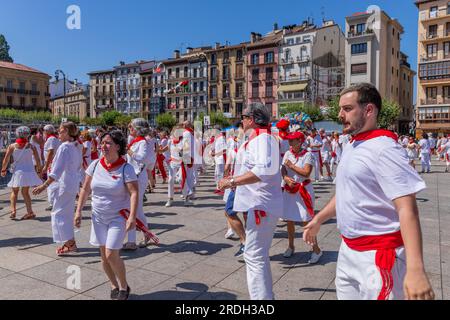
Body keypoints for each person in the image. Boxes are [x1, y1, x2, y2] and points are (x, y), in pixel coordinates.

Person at [303, 83, 434, 300]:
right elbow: (347, 193)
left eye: (347, 109)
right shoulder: (353, 145)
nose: (339, 115)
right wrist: (319, 219)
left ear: (369, 110)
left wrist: (416, 269)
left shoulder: (385, 149)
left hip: (379, 256)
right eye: (340, 109)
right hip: (348, 251)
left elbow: (407, 209)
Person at [219, 103, 283, 300]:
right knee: (256, 255)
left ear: (253, 119)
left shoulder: (263, 139)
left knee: (254, 256)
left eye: (244, 116)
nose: (242, 120)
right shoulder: (260, 138)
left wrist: (231, 181)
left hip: (261, 205)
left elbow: (262, 171)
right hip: (258, 204)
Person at [74, 130, 138, 300]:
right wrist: (79, 210)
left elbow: (134, 193)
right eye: (102, 142)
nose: (104, 146)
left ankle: (124, 286)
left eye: (108, 143)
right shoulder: (95, 165)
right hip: (98, 216)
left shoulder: (126, 168)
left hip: (118, 217)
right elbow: (85, 189)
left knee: (111, 254)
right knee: (104, 256)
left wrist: (132, 216)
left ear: (118, 146)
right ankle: (113, 284)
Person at [33, 122, 82, 256]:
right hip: (72, 183)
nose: (58, 134)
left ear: (66, 132)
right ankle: (70, 241)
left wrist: (43, 185)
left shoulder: (64, 147)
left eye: (60, 131)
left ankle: (69, 243)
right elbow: (78, 166)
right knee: (65, 213)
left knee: (59, 214)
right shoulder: (76, 145)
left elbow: (56, 171)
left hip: (64, 184)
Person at [281, 131, 322, 263]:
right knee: (289, 220)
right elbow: (283, 169)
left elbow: (306, 172)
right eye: (289, 140)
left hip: (302, 190)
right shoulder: (288, 153)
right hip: (290, 190)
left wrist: (291, 166)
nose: (290, 143)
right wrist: (286, 177)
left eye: (292, 140)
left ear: (299, 141)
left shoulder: (308, 155)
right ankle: (291, 246)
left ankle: (316, 250)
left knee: (306, 221)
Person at [1, 126, 42, 220]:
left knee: (14, 191)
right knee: (25, 192)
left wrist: (3, 170)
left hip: (18, 172)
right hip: (29, 171)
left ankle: (13, 211)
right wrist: (39, 171)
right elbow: (38, 160)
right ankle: (30, 212)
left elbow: (6, 159)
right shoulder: (32, 146)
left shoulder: (12, 146)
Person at [124, 118, 151, 250]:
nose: (130, 129)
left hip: (139, 177)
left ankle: (135, 239)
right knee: (134, 209)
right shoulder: (135, 141)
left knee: (135, 208)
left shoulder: (143, 143)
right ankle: (138, 237)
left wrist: (128, 151)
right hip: (132, 177)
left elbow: (141, 158)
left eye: (132, 128)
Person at [42, 124, 61, 211]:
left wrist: (46, 165)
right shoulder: (54, 138)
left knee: (51, 184)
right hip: (53, 162)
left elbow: (50, 152)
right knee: (54, 183)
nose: (43, 132)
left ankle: (52, 202)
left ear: (47, 131)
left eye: (44, 131)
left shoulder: (51, 139)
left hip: (51, 163)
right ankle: (54, 201)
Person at [163, 127, 183, 207]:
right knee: (170, 180)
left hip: (182, 163)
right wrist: (159, 150)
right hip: (173, 162)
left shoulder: (183, 141)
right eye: (174, 132)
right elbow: (166, 148)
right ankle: (170, 198)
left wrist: (182, 151)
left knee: (180, 179)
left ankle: (187, 194)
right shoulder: (170, 141)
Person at [181, 121, 196, 205]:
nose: (182, 125)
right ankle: (190, 193)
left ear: (186, 125)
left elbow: (185, 145)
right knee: (189, 175)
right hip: (191, 155)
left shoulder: (186, 133)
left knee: (185, 176)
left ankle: (188, 192)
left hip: (187, 155)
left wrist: (182, 152)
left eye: (183, 124)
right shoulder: (191, 133)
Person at [212, 126, 226, 194]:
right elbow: (215, 147)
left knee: (221, 174)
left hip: (220, 158)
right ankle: (218, 187)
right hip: (217, 159)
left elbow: (224, 149)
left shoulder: (222, 138)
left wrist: (215, 153)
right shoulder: (216, 138)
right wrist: (213, 152)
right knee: (217, 174)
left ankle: (222, 188)